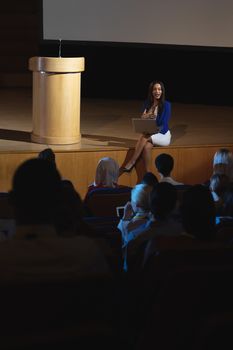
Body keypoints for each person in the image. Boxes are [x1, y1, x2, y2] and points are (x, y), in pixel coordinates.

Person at [122, 80, 171, 173]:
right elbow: (143, 119)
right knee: (146, 147)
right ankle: (148, 173)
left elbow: (163, 123)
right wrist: (148, 115)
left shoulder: (167, 105)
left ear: (162, 91)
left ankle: (132, 161)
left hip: (163, 134)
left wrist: (153, 116)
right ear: (151, 91)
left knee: (145, 136)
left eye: (159, 89)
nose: (157, 91)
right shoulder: (147, 103)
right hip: (152, 133)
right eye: (155, 89)